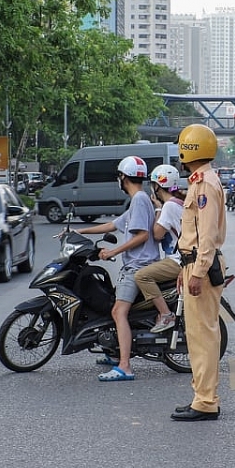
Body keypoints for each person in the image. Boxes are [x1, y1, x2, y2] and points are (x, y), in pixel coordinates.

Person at [77, 156, 160, 381]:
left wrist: (114, 251)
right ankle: (115, 353)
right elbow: (113, 224)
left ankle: (125, 366)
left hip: (138, 266)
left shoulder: (140, 200)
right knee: (111, 305)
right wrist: (79, 232)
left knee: (118, 311)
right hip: (135, 265)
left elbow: (143, 235)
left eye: (119, 176)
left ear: (123, 177)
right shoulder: (138, 200)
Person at [171, 124, 227, 422]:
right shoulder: (200, 180)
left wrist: (198, 271)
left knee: (203, 336)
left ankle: (206, 401)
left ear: (188, 149)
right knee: (197, 335)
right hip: (194, 263)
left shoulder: (204, 183)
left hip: (202, 266)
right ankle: (201, 396)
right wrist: (186, 268)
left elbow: (206, 234)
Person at [134, 164, 186, 333]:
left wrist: (157, 207)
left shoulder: (169, 206)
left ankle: (165, 314)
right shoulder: (179, 202)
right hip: (182, 257)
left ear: (157, 185)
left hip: (179, 260)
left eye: (153, 184)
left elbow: (157, 234)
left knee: (142, 276)